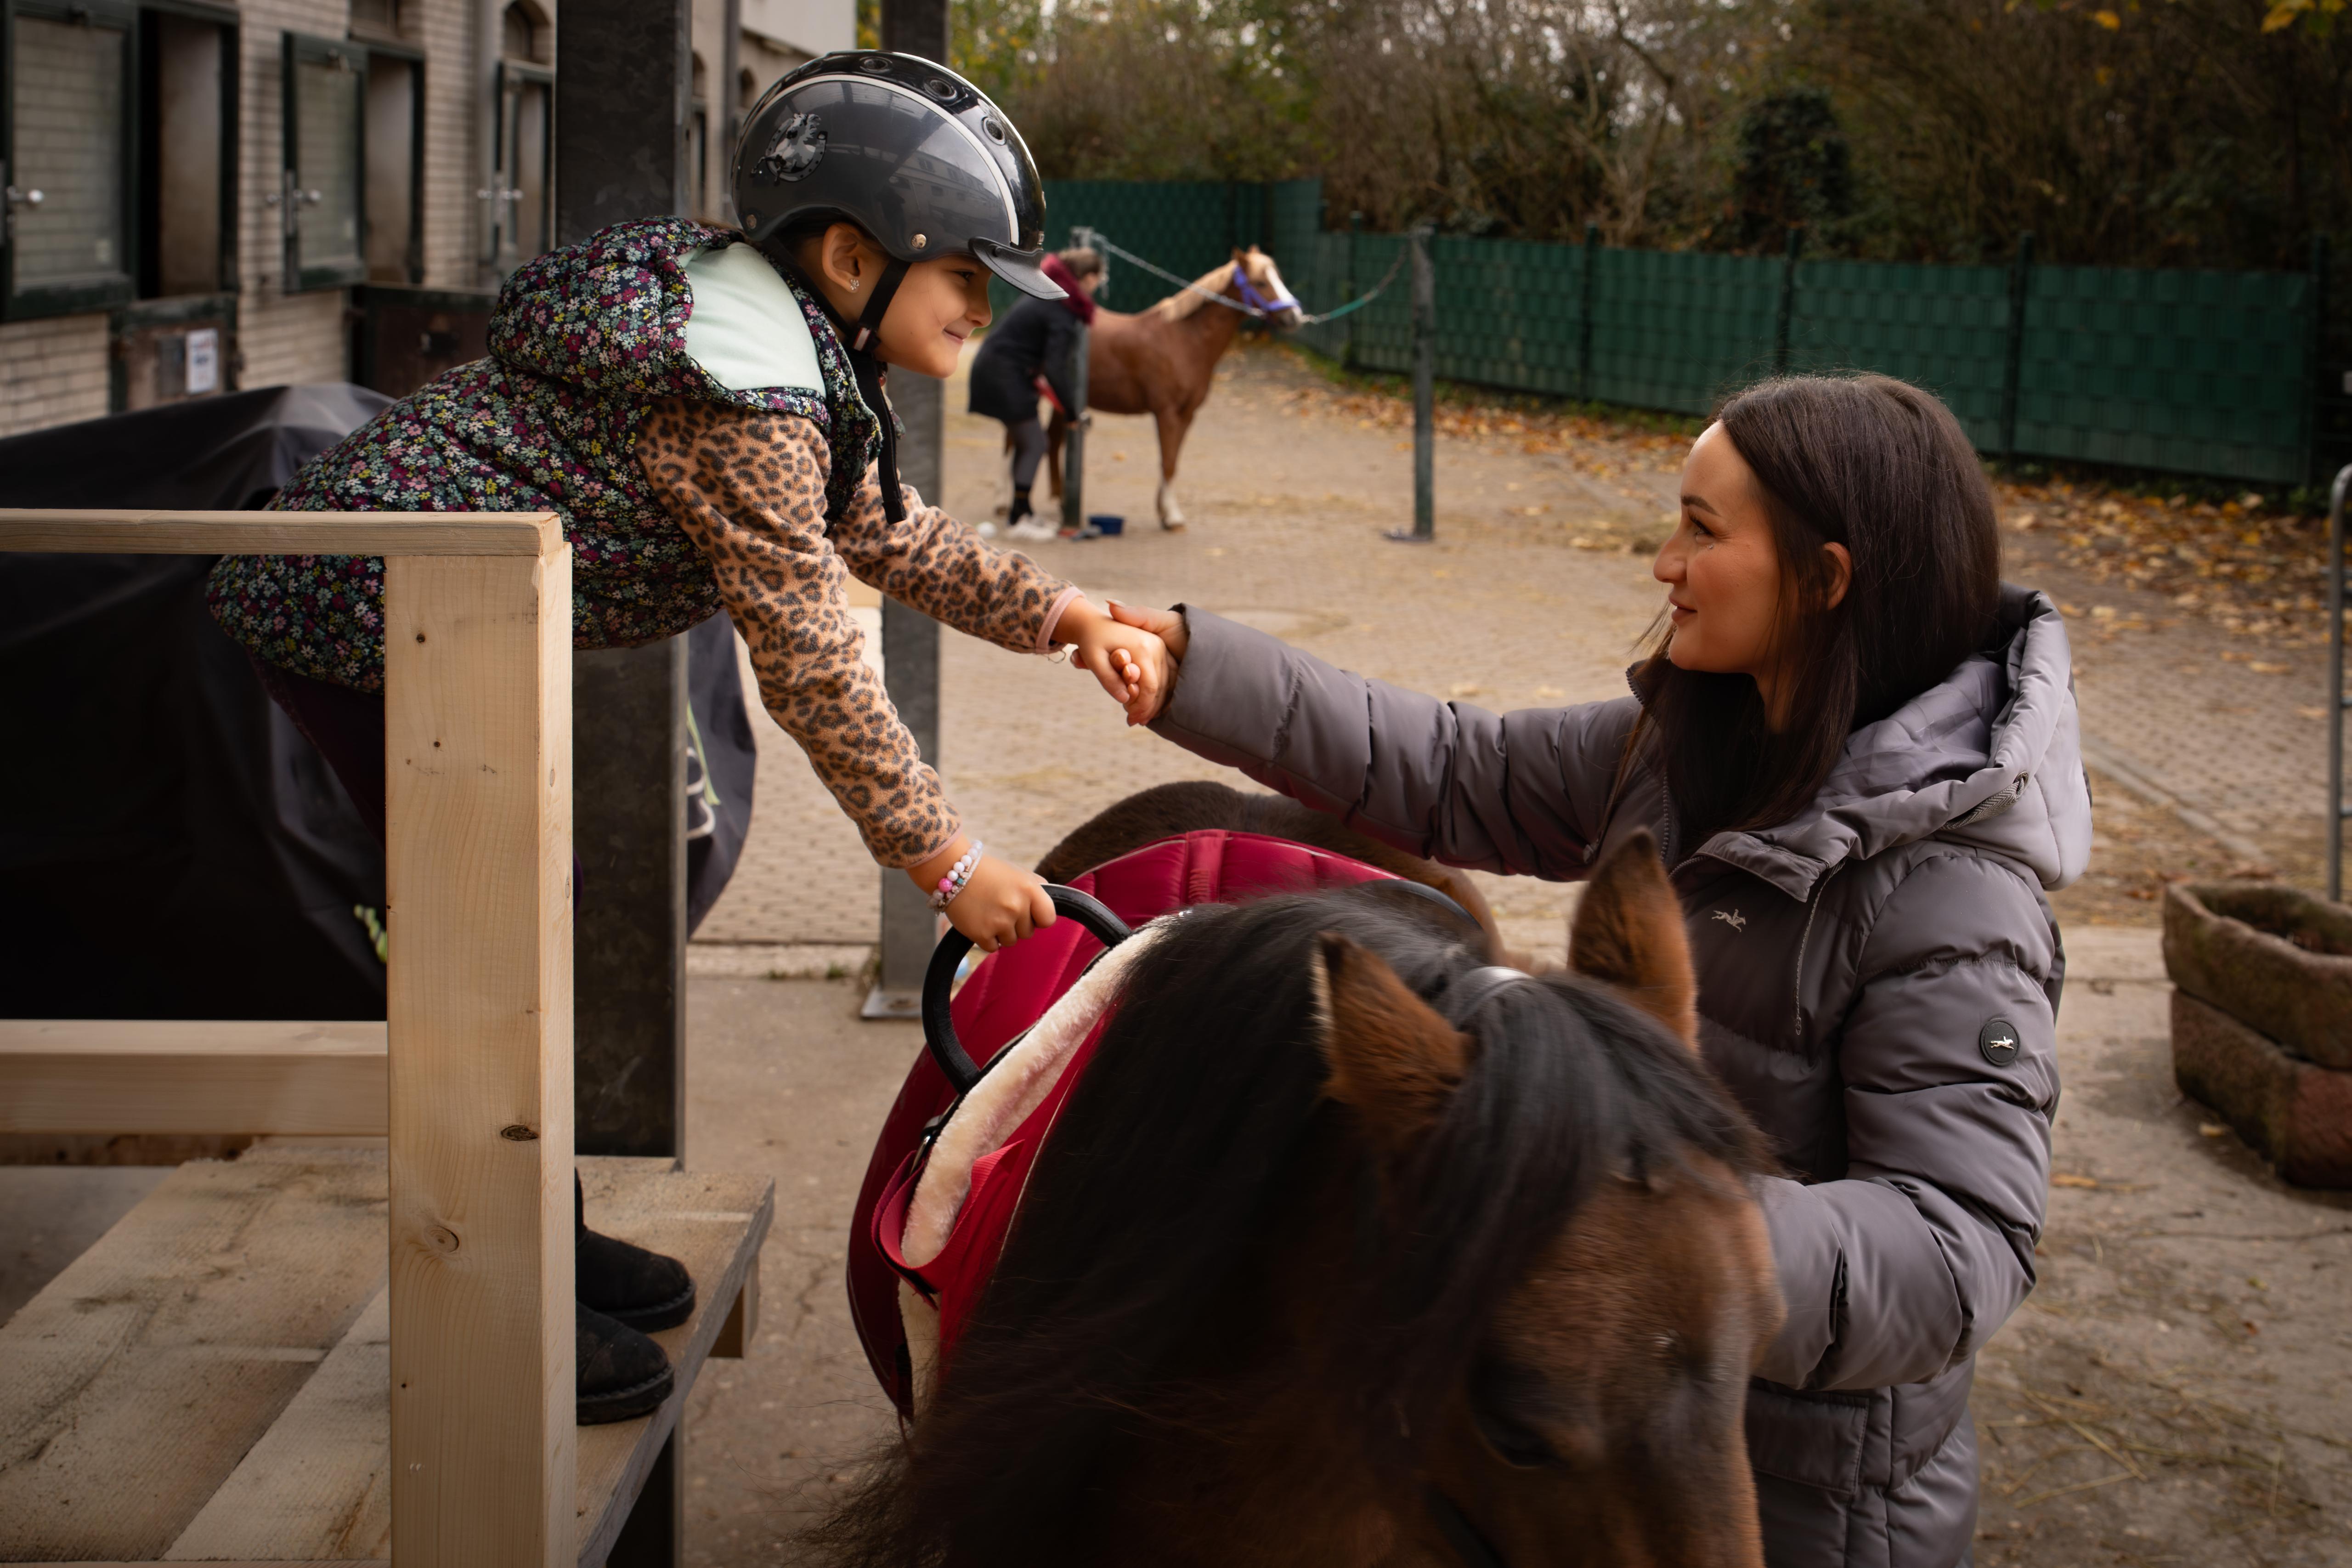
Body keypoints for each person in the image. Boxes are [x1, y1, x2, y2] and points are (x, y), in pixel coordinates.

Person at [204, 51, 1168, 1425]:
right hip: (363, 621)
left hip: (446, 626)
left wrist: (1062, 610)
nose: (981, 310)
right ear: (852, 256)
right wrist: (949, 862)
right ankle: (493, 1307)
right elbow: (816, 663)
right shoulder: (741, 399)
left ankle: (548, 1239)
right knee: (475, 943)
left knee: (533, 919)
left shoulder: (788, 352)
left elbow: (882, 530)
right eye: (966, 276)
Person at [1107, 374, 2085, 1568]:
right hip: (1590, 1448)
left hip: (1799, 1497)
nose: (1665, 562)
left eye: (1703, 531)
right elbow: (1455, 767)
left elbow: (1958, 1246)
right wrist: (1195, 669)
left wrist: (1664, 1245)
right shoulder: (1690, 745)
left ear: (1826, 580)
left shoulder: (1957, 897)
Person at [968, 244, 1103, 540]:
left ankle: (1024, 511)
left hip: (998, 370)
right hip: (1004, 375)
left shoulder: (1050, 293)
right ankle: (1018, 520)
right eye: (1098, 280)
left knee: (1029, 441)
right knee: (1036, 443)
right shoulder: (1063, 311)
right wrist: (1072, 410)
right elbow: (1056, 368)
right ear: (1090, 279)